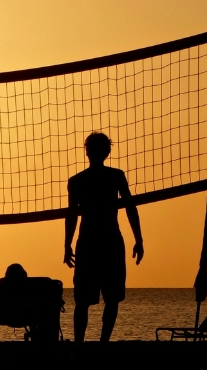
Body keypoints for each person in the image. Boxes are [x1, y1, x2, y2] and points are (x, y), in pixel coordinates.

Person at [64, 132, 143, 343]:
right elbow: (130, 209)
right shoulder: (115, 176)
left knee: (86, 300)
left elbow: (72, 216)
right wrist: (139, 239)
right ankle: (101, 345)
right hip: (108, 242)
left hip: (90, 242)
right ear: (107, 152)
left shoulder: (78, 181)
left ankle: (79, 349)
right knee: (109, 299)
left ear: (87, 152)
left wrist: (67, 245)